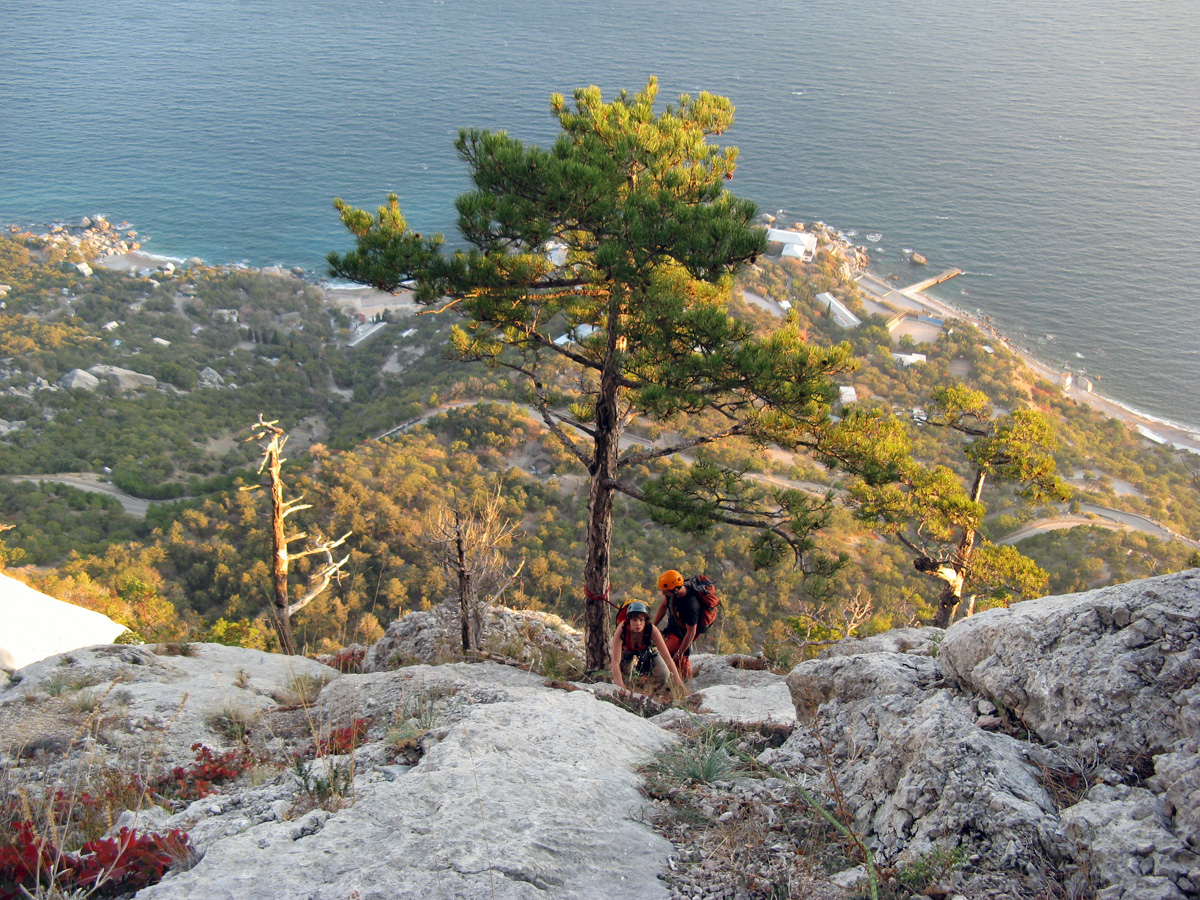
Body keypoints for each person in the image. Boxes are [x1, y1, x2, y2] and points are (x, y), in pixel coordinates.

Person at [610, 601, 687, 695]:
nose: (638, 623)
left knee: (663, 673)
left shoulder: (652, 630)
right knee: (624, 677)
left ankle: (648, 692)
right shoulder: (621, 630)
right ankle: (628, 690)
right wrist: (621, 688)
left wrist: (679, 683)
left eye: (641, 620)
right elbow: (615, 662)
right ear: (628, 620)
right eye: (634, 620)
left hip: (644, 650)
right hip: (624, 651)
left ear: (645, 621)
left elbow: (668, 659)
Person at [653, 569, 700, 681]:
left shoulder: (691, 605)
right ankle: (685, 683)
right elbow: (664, 605)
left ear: (675, 589)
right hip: (672, 631)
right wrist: (653, 626)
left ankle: (683, 686)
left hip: (680, 637)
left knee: (662, 658)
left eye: (666, 591)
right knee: (676, 661)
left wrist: (680, 652)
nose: (663, 594)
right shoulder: (672, 595)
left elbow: (691, 632)